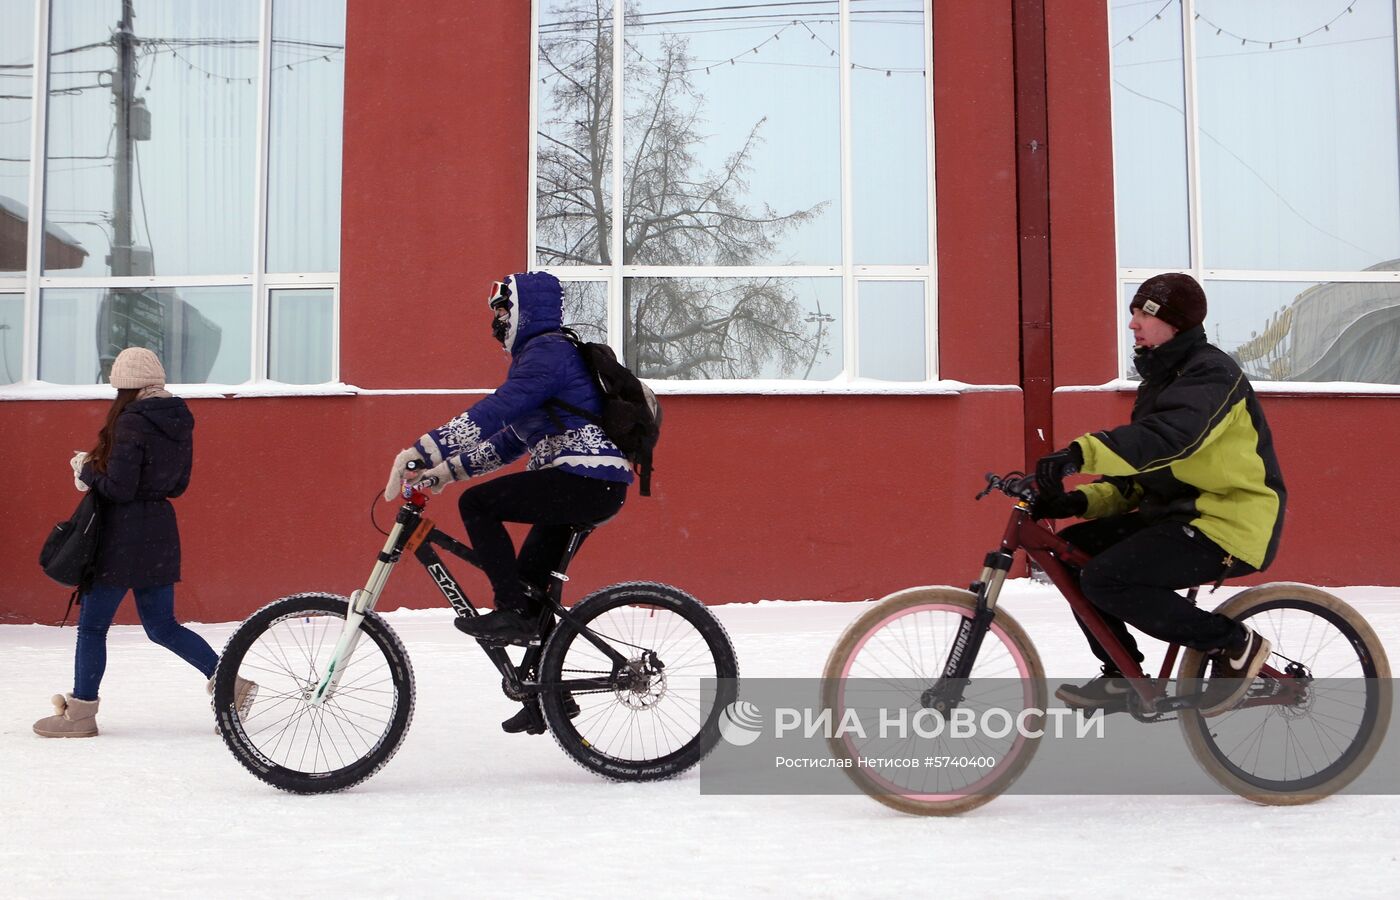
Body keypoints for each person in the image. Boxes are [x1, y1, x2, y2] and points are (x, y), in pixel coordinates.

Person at [384, 271, 632, 734]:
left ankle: (509, 611)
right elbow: (508, 440)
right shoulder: (540, 362)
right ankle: (544, 696)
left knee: (479, 506)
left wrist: (424, 448)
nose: (496, 320)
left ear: (524, 309)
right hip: (585, 483)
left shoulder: (547, 353)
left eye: (502, 309)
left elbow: (497, 409)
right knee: (532, 590)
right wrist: (444, 472)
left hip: (584, 478)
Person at [1032, 273, 1286, 718]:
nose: (1132, 324)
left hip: (1229, 522)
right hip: (1177, 515)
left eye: (1144, 314)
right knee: (1076, 552)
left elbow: (1169, 439)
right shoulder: (1162, 382)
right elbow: (1146, 477)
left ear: (1175, 323)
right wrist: (1074, 502)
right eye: (1132, 312)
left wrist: (1078, 454)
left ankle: (1234, 643)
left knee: (1108, 577)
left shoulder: (1211, 373)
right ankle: (1120, 675)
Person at [33, 347, 253, 738]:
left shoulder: (131, 421)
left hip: (122, 534)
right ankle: (230, 684)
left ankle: (80, 714)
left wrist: (86, 468)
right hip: (159, 529)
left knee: (93, 627)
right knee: (163, 626)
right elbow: (179, 484)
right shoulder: (179, 420)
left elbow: (119, 487)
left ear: (125, 387)